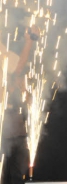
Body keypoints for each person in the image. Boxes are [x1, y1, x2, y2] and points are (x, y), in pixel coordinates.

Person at [1, 25, 39, 184]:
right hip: (3, 135)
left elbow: (18, 69)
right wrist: (28, 43)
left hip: (17, 133)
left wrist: (25, 92)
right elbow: (18, 68)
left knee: (17, 176)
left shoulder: (12, 68)